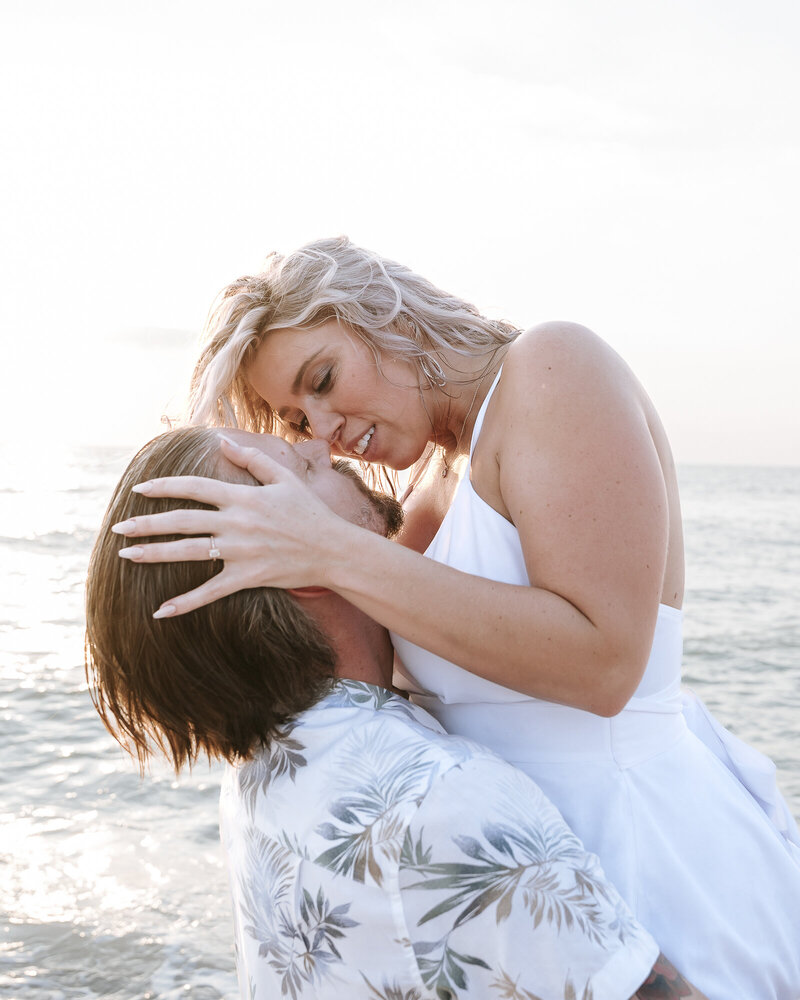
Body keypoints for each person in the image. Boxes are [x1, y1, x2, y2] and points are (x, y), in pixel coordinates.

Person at [112, 238, 800, 999]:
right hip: (502, 895)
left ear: (385, 314)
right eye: (295, 417)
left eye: (324, 379)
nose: (323, 429)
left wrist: (330, 551)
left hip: (640, 853)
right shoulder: (430, 485)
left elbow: (604, 665)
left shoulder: (553, 370)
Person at [86, 425, 706, 1000]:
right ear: (293, 557)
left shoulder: (257, 778)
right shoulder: (440, 802)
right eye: (300, 467)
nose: (324, 448)